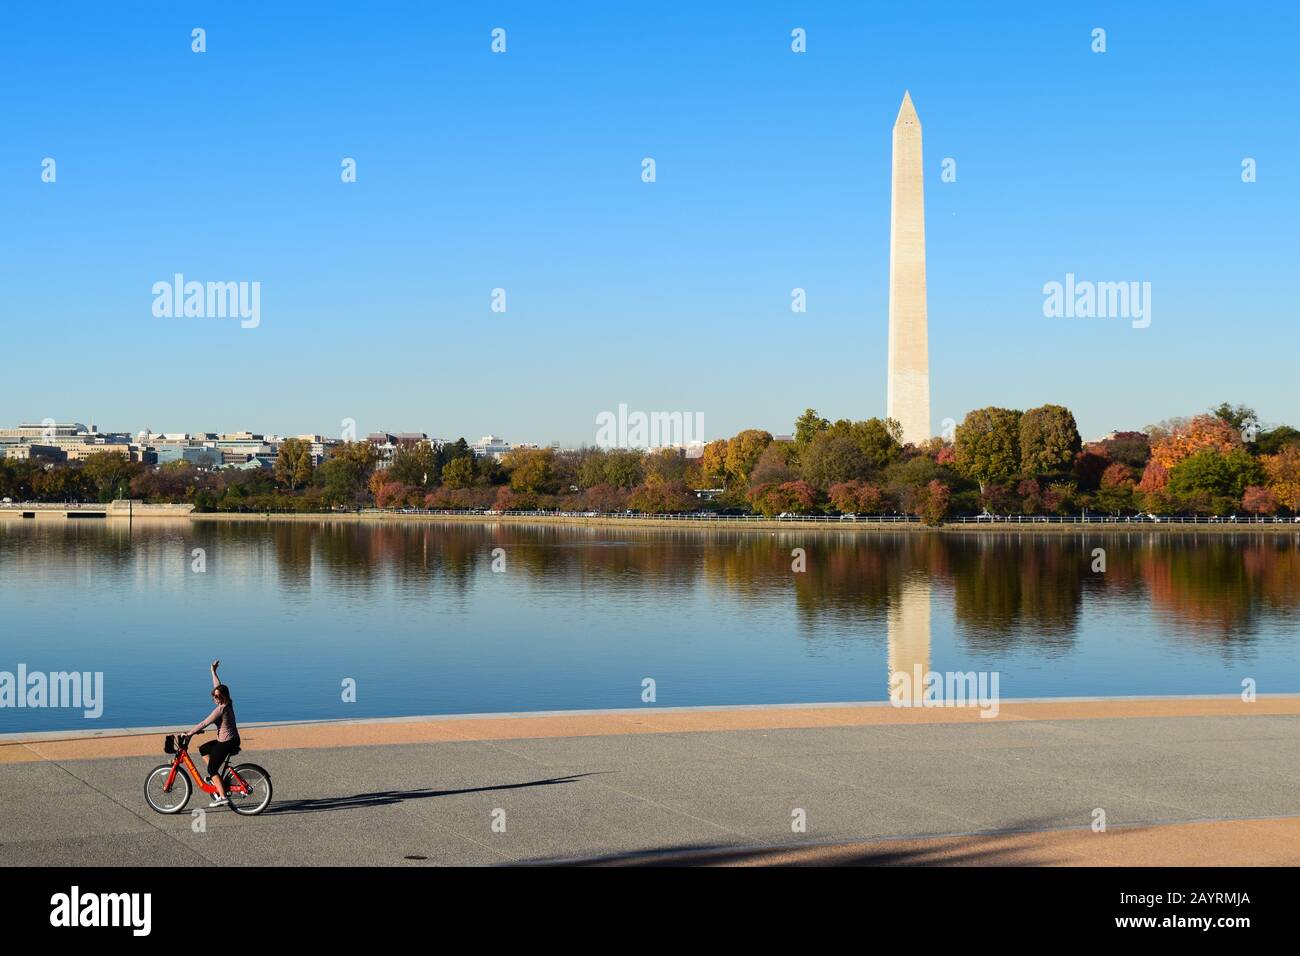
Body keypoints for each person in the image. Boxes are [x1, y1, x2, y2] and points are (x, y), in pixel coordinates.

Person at [183, 660, 240, 807]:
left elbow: (204, 723)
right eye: (214, 696)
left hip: (227, 742)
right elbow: (218, 687)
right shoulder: (228, 702)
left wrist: (189, 733)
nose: (214, 698)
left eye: (216, 697)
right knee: (204, 749)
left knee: (212, 768)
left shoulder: (220, 710)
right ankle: (216, 779)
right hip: (232, 740)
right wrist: (213, 672)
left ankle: (222, 796)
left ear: (222, 697)